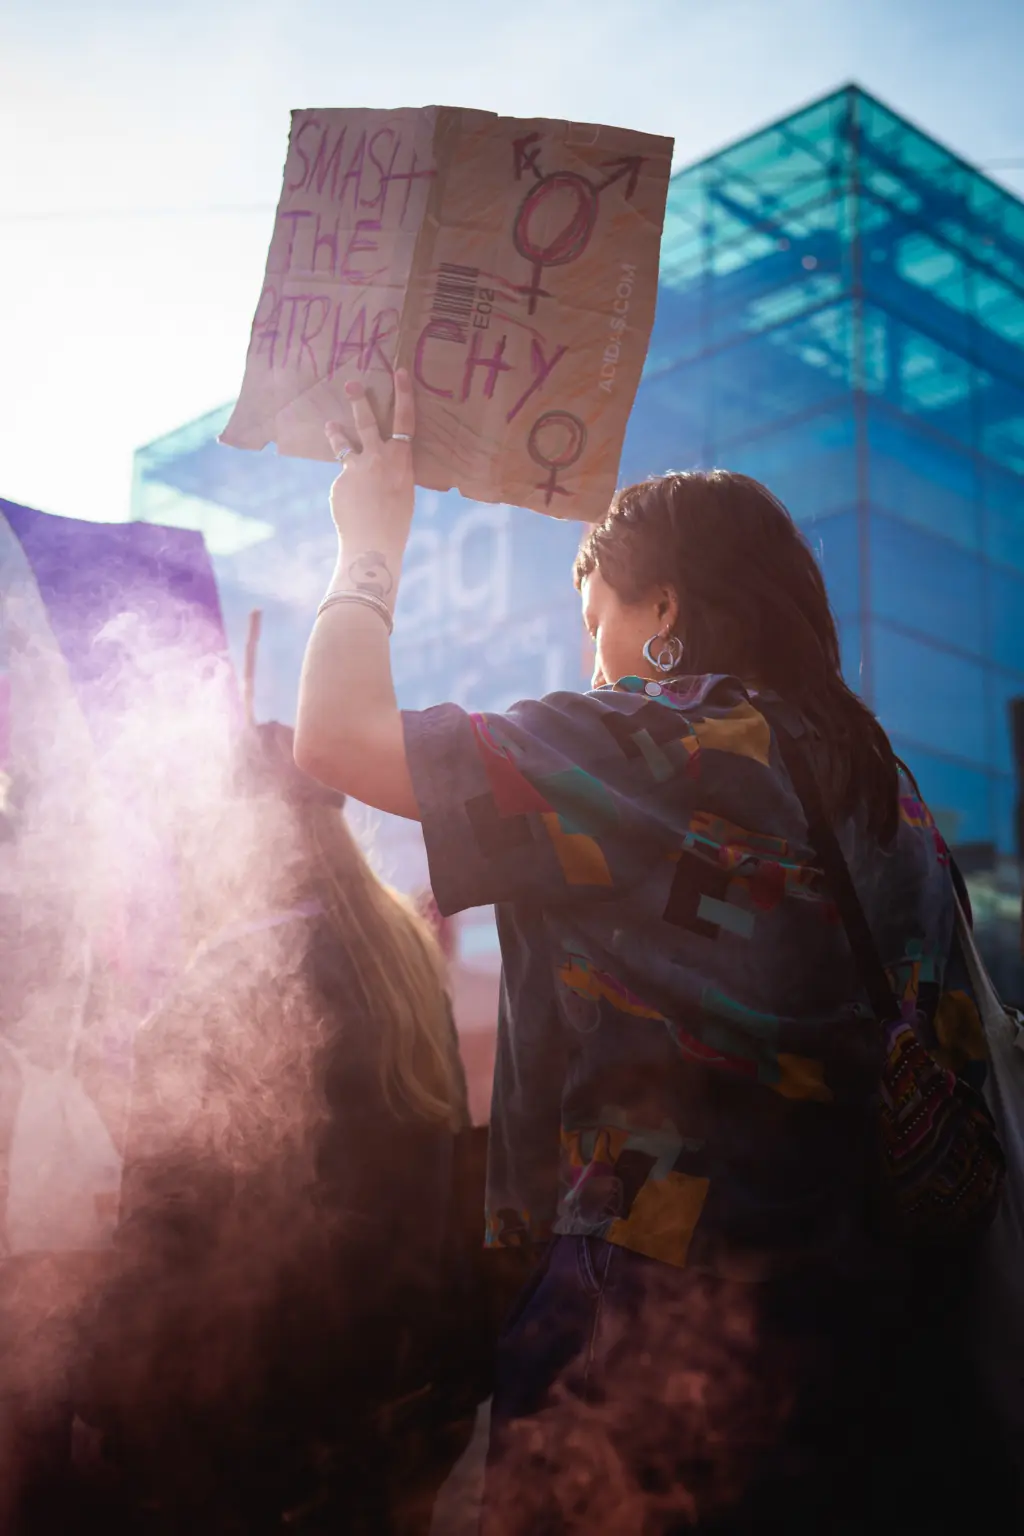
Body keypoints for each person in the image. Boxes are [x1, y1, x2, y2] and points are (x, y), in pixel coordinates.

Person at [292, 371, 1005, 1534]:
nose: (592, 666)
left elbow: (336, 737)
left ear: (663, 611)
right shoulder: (886, 788)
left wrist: (368, 542)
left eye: (601, 627)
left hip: (652, 1312)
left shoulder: (653, 746)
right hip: (860, 1311)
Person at [77, 719, 479, 1533]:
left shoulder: (219, 994)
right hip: (389, 1414)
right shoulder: (404, 964)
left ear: (236, 836)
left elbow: (164, 1252)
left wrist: (97, 1393)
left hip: (249, 1442)